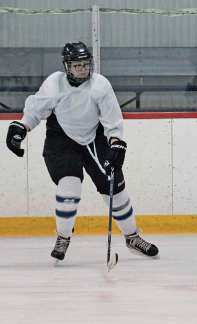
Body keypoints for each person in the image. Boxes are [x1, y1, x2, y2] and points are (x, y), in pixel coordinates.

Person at [5, 42, 159, 261]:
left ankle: (132, 237)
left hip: (94, 138)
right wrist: (21, 127)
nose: (82, 69)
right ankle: (63, 236)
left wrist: (116, 143)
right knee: (70, 188)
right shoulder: (54, 84)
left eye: (86, 65)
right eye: (77, 65)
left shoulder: (100, 85)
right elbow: (35, 112)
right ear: (67, 66)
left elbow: (112, 120)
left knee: (114, 187)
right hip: (61, 140)